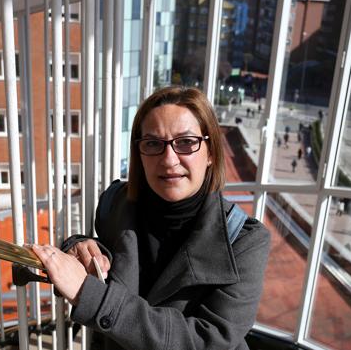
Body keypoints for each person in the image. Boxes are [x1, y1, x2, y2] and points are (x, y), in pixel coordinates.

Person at [31, 86, 270, 350]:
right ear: (139, 154)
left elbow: (209, 342)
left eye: (186, 142)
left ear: (211, 152)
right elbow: (108, 252)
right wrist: (80, 247)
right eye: (153, 143)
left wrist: (92, 297)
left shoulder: (245, 242)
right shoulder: (115, 204)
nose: (169, 159)